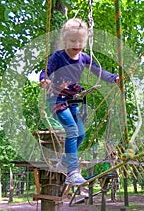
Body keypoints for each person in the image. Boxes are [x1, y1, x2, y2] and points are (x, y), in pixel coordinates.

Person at [39, 18, 119, 186]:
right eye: (73, 41)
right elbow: (46, 70)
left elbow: (99, 72)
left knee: (80, 134)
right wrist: (44, 79)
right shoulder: (58, 56)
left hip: (74, 99)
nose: (77, 44)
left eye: (81, 41)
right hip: (57, 98)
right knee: (72, 130)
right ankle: (72, 172)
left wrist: (114, 78)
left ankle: (65, 161)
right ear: (64, 40)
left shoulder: (84, 58)